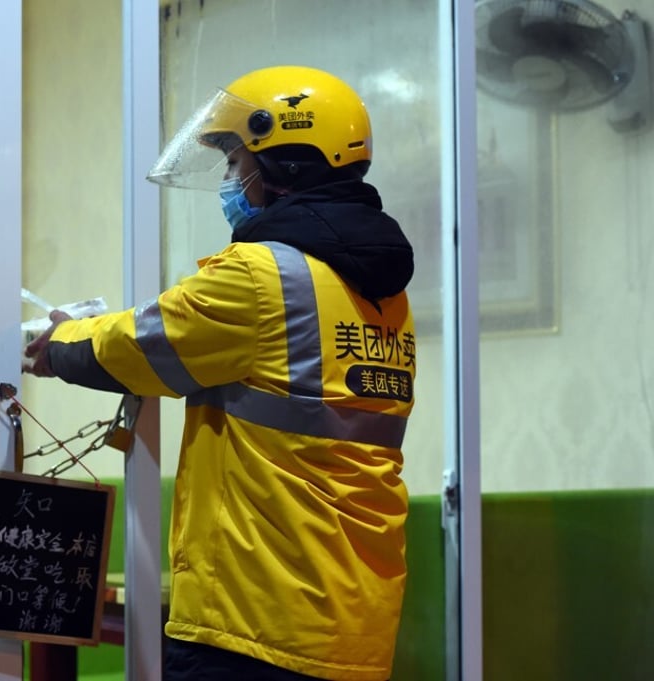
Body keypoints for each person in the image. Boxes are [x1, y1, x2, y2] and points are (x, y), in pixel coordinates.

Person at [25, 65, 416, 681]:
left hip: (255, 624)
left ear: (285, 165)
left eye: (238, 163)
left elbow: (144, 343)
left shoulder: (264, 277)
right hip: (351, 622)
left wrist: (58, 342)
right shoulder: (381, 293)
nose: (231, 181)